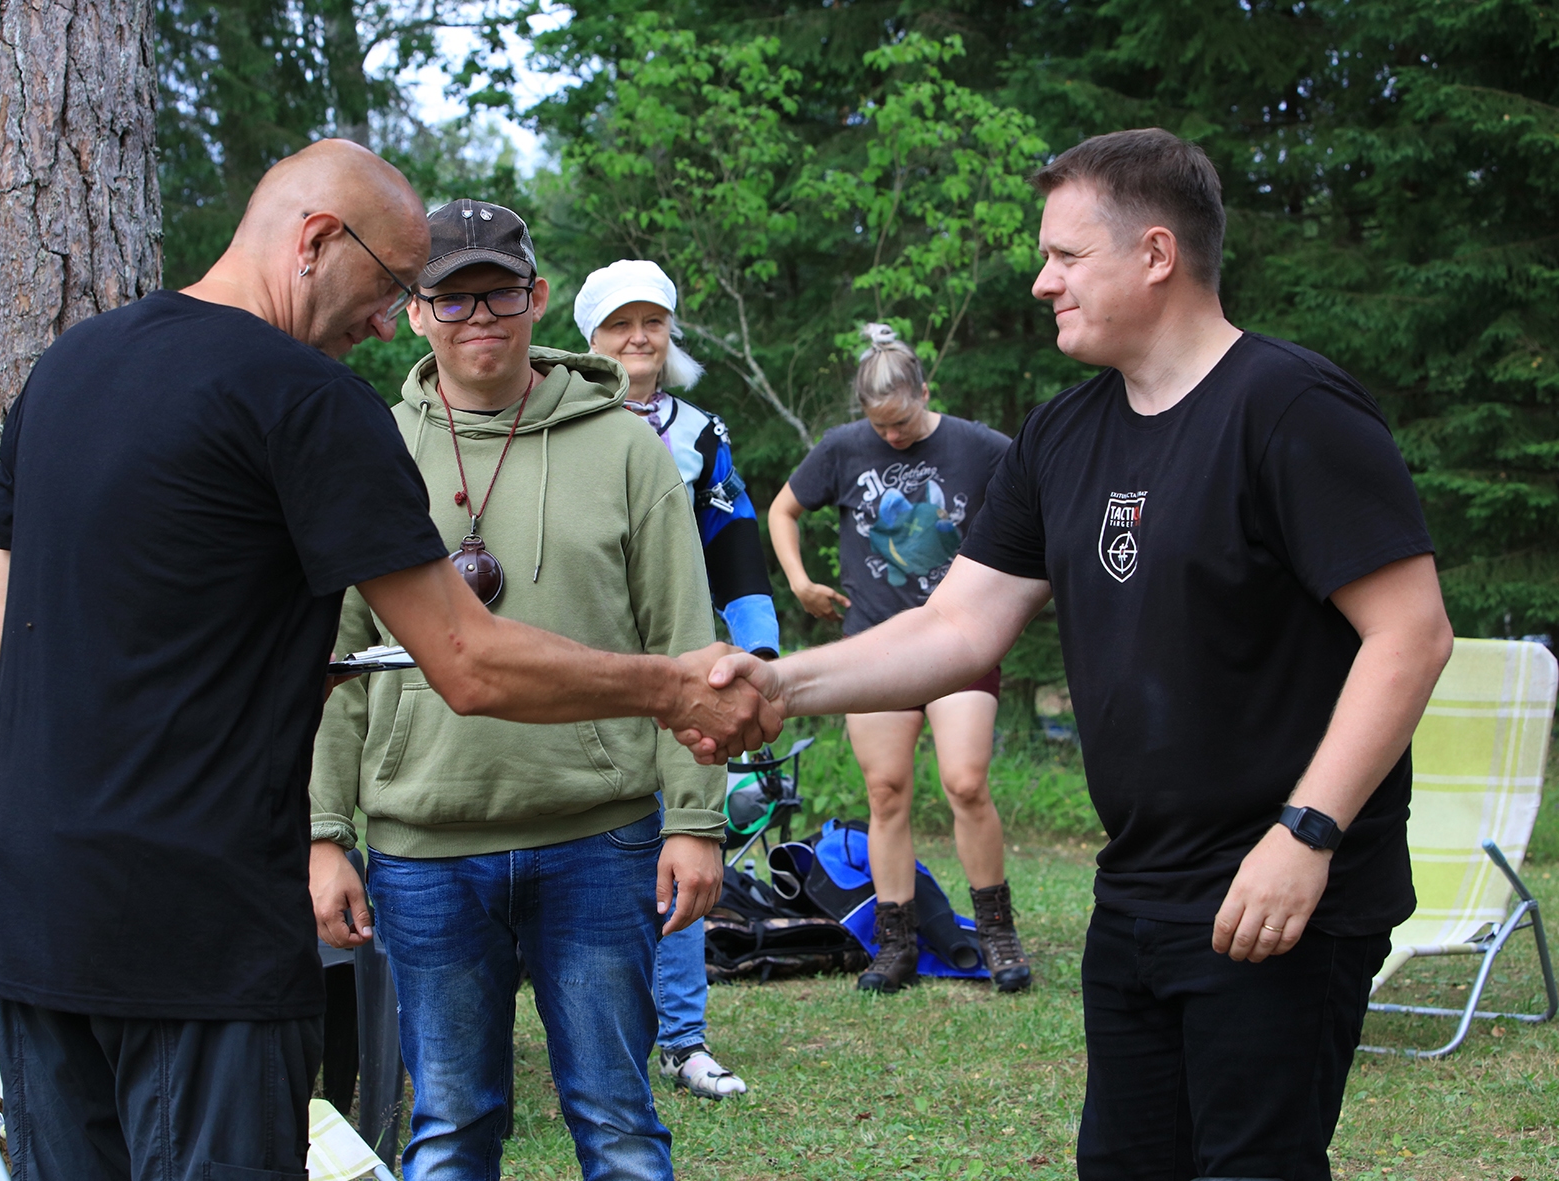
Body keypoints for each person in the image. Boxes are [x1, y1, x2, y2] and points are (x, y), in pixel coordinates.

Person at [0, 146, 773, 1181]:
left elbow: (0, 634)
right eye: (393, 284)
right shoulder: (306, 398)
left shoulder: (64, 370)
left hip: (39, 913)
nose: (392, 322)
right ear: (316, 240)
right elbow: (468, 662)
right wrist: (669, 687)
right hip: (200, 925)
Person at [694, 127, 1453, 1180]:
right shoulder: (1061, 435)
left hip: (1278, 893)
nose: (1042, 281)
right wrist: (780, 681)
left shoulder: (1290, 408)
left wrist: (1306, 831)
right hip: (1136, 888)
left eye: (1065, 255)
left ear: (1155, 253)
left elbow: (1411, 633)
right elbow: (956, 628)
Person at [309, 201, 723, 1180]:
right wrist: (323, 832)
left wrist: (695, 818)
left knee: (618, 1122)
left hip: (599, 836)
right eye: (451, 299)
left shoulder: (626, 447)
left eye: (498, 292)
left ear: (536, 297)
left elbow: (681, 641)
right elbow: (335, 663)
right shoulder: (371, 449)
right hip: (423, 848)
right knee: (449, 1125)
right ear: (415, 311)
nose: (478, 317)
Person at [766, 323, 1029, 994]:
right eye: (879, 425)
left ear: (925, 392)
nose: (892, 435)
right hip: (877, 647)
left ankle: (997, 932)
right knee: (885, 793)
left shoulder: (980, 446)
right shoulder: (842, 448)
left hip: (959, 641)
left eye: (903, 421)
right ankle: (895, 942)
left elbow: (1039, 503)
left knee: (965, 781)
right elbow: (783, 510)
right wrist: (799, 581)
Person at [576, 259, 776, 1099]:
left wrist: (760, 654)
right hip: (579, 667)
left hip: (679, 665)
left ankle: (683, 1038)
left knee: (683, 840)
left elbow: (735, 538)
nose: (638, 338)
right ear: (588, 337)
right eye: (619, 324)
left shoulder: (700, 433)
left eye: (652, 322)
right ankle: (582, 1034)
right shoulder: (556, 419)